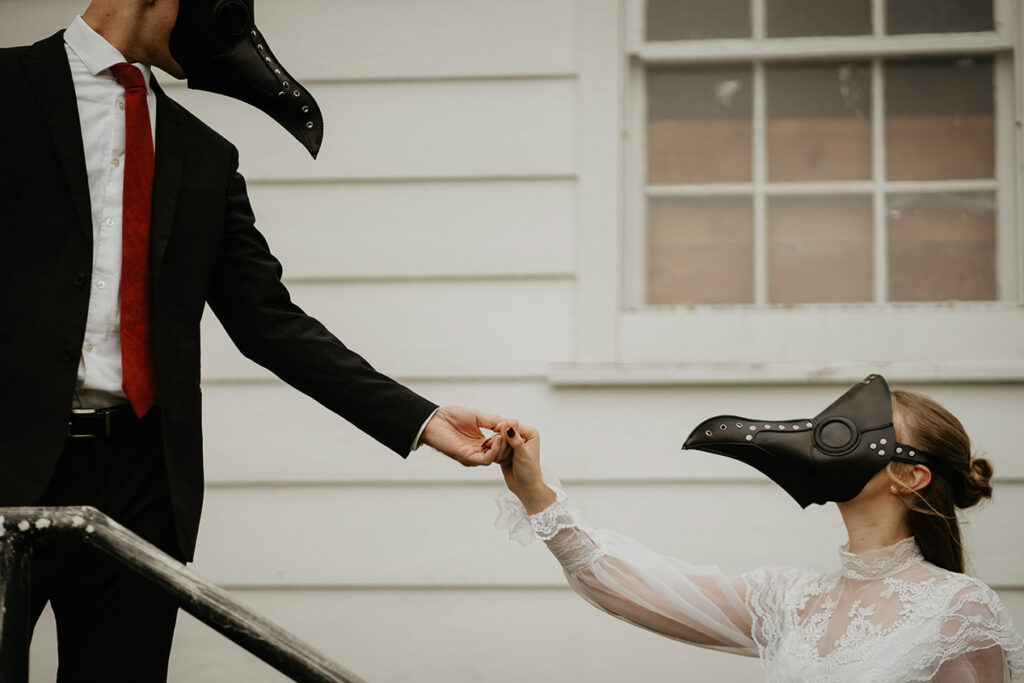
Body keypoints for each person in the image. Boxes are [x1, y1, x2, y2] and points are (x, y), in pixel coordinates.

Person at [0, 0, 505, 679]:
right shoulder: (9, 90)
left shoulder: (203, 155)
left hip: (142, 478)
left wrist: (422, 418)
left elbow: (269, 322)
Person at [490, 377, 1024, 681]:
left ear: (910, 476)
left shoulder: (960, 608)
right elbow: (627, 584)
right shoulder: (789, 601)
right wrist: (537, 495)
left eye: (851, 431)